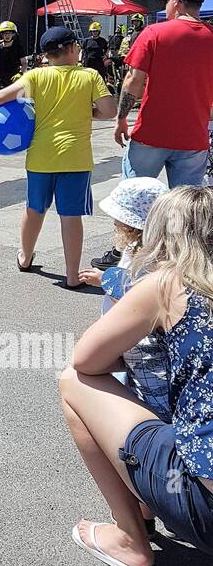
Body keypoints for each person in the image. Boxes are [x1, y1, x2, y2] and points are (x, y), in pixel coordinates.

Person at [60, 186, 213, 566]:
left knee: (74, 382)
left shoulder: (169, 284)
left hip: (203, 506)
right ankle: (145, 493)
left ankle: (130, 538)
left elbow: (87, 360)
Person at [0, 25, 117, 287]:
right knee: (70, 216)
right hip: (75, 158)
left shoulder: (35, 77)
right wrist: (87, 112)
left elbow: (2, 96)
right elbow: (109, 110)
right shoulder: (90, 76)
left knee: (34, 209)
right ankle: (71, 275)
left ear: (47, 55)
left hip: (41, 157)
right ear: (71, 49)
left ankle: (25, 257)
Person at [78, 177, 170, 419]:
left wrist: (105, 279)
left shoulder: (149, 258)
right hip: (128, 337)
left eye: (119, 219)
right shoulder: (146, 249)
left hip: (134, 340)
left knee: (130, 385)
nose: (115, 223)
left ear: (132, 225)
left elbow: (134, 296)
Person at [114, 0, 213, 188]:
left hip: (151, 134)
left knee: (134, 203)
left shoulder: (154, 33)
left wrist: (121, 118)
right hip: (193, 138)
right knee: (185, 211)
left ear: (176, 2)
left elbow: (133, 81)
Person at [0, 20, 25, 92]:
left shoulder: (18, 48)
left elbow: (24, 63)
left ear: (13, 34)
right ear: (1, 35)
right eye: (5, 33)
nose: (7, 36)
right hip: (1, 81)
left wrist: (20, 73)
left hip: (15, 79)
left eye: (9, 33)